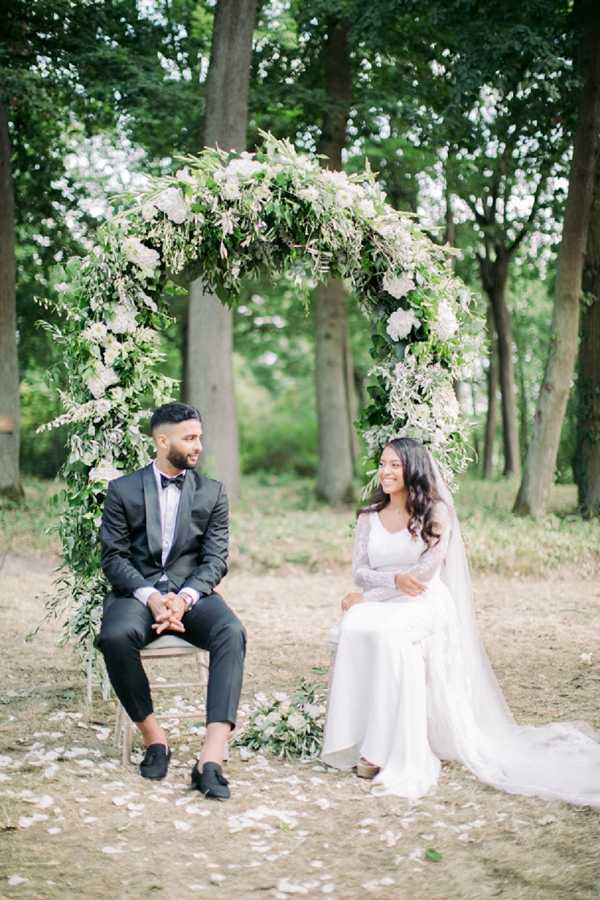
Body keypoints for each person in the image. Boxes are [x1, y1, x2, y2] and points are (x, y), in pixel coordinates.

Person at [321, 437, 600, 805]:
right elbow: (361, 572)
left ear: (413, 470)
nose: (385, 472)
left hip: (425, 601)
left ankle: (381, 750)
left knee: (390, 634)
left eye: (395, 465)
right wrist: (377, 590)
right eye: (383, 464)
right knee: (354, 625)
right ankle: (350, 736)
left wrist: (375, 593)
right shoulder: (369, 516)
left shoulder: (436, 514)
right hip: (384, 598)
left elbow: (421, 577)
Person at [96, 402, 246, 801]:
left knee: (231, 631)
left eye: (199, 436)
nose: (198, 445)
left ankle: (209, 760)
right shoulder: (122, 490)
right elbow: (113, 557)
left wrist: (183, 598)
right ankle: (155, 741)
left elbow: (216, 559)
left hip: (190, 594)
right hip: (137, 592)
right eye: (189, 438)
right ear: (163, 441)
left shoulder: (212, 492)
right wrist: (150, 597)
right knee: (114, 636)